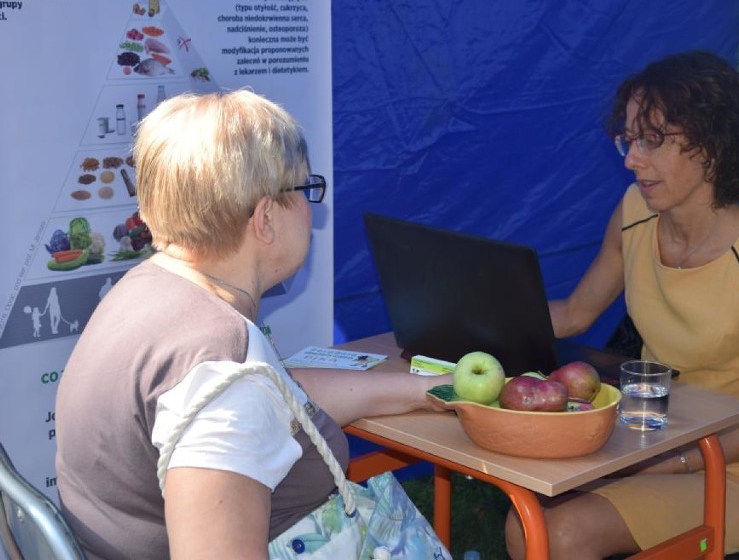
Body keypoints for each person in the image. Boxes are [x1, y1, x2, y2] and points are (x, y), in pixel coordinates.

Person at [55, 89, 451, 560]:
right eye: (304, 190)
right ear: (265, 218)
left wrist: (429, 388)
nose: (311, 208)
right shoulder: (223, 370)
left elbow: (282, 396)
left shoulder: (149, 289)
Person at [505, 51, 739, 558]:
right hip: (646, 439)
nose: (630, 159)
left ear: (711, 146)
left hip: (734, 470)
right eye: (628, 138)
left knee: (556, 534)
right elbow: (575, 314)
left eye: (651, 140)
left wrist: (675, 462)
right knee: (527, 525)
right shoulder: (634, 212)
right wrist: (481, 312)